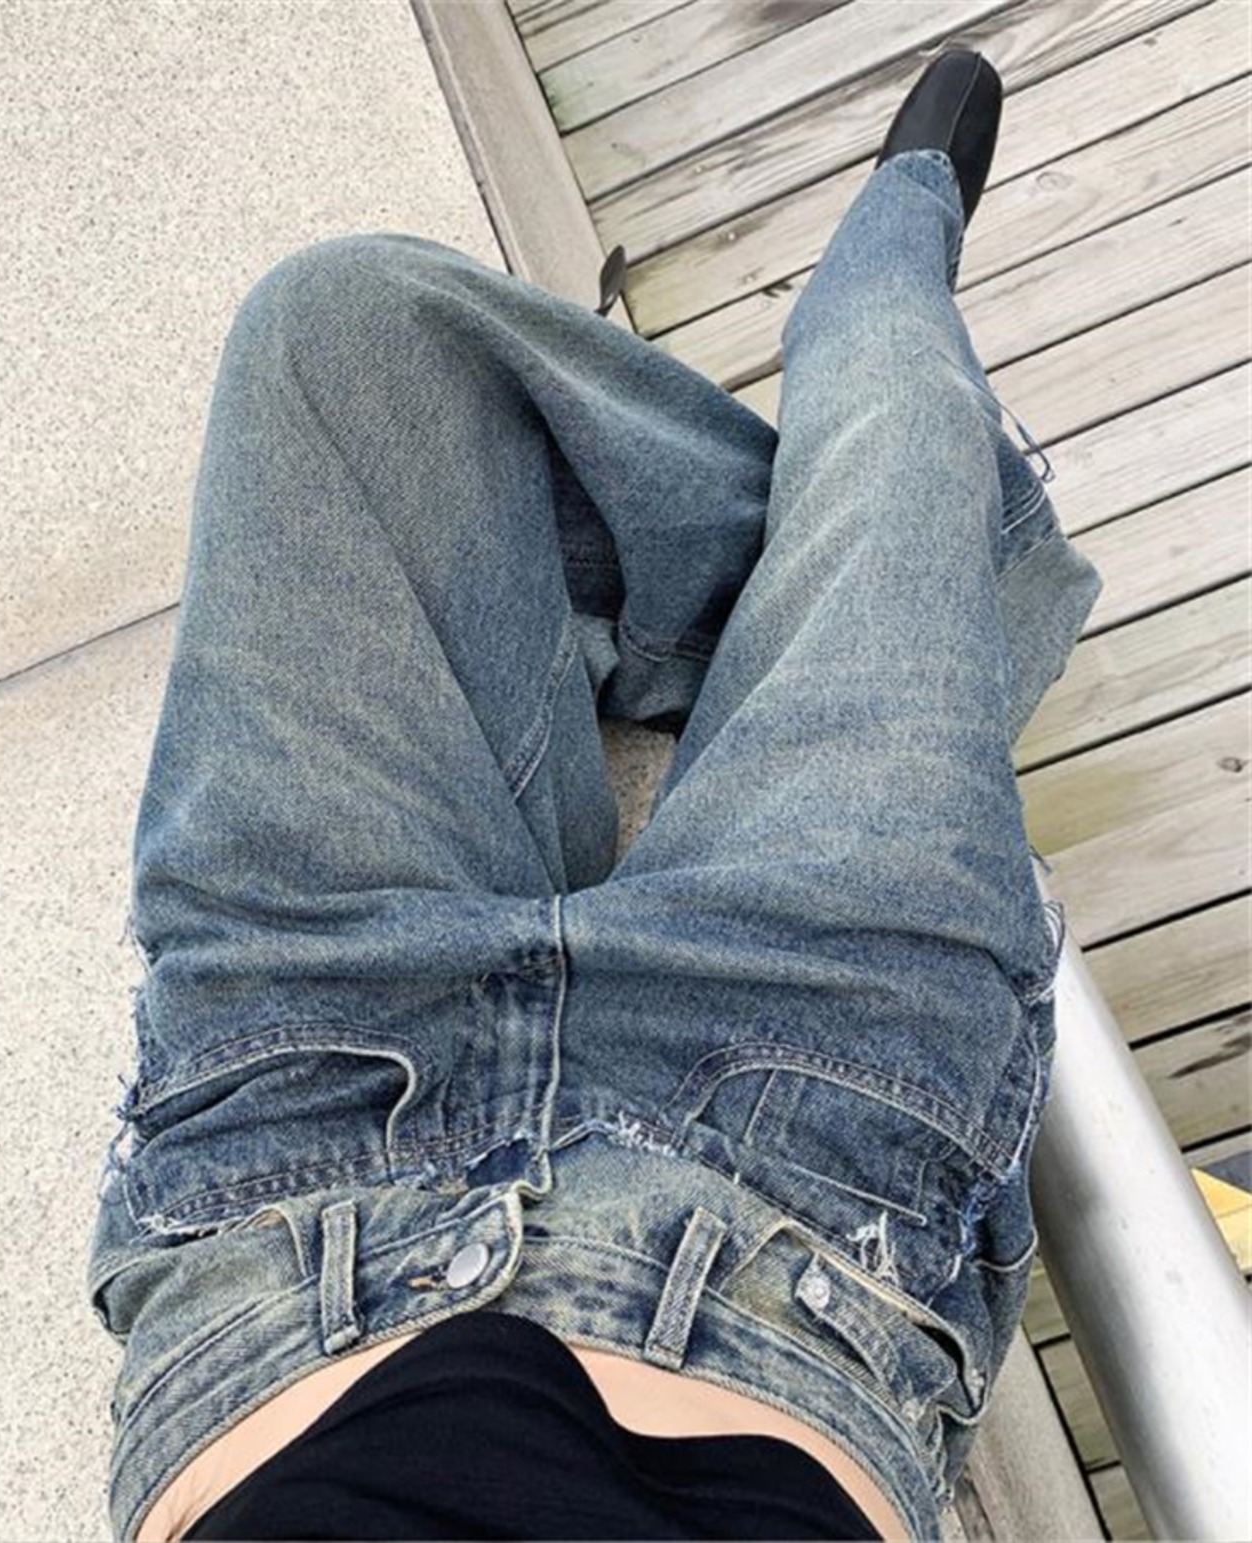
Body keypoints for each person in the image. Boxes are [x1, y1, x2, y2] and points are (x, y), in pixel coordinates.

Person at [86, 48, 1102, 1542]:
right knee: (898, 433)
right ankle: (889, 271)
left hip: (301, 1156)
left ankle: (825, 576)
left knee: (344, 328)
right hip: (796, 1191)